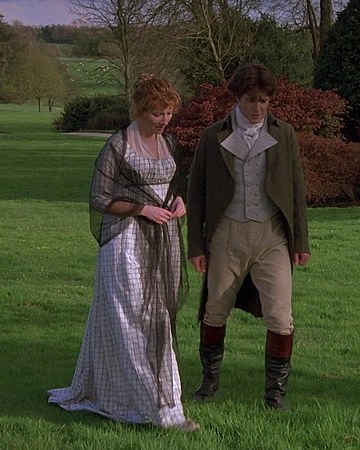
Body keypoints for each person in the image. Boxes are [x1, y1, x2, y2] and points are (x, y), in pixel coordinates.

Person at [48, 74, 199, 432]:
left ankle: (130, 395)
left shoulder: (169, 142)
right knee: (134, 319)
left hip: (163, 240)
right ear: (140, 110)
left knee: (155, 319)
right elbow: (99, 197)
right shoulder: (118, 145)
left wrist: (179, 201)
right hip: (126, 242)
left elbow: (174, 184)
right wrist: (142, 209)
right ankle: (162, 411)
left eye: (169, 113)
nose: (164, 120)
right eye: (157, 114)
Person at [187, 63, 310, 411]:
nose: (258, 107)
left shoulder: (284, 134)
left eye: (264, 100)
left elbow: (296, 189)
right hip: (227, 233)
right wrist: (196, 246)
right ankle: (208, 383)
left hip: (272, 236)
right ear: (237, 98)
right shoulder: (213, 136)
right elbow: (196, 193)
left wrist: (301, 242)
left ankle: (275, 394)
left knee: (281, 316)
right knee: (215, 311)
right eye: (251, 100)